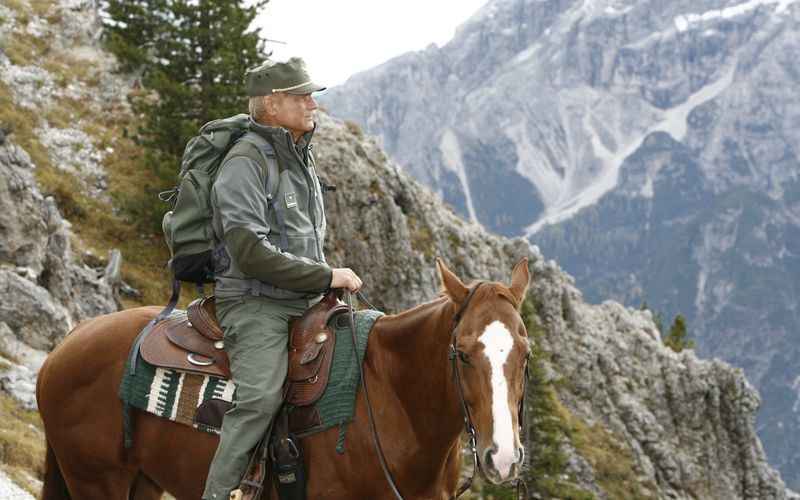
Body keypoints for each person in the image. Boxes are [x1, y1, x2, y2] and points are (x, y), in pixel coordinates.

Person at [202, 57, 362, 499]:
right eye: (302, 95)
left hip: (305, 298)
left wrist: (322, 282)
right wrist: (327, 275)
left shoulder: (300, 159)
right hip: (255, 303)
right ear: (272, 104)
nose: (313, 103)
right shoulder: (243, 164)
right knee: (259, 400)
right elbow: (250, 253)